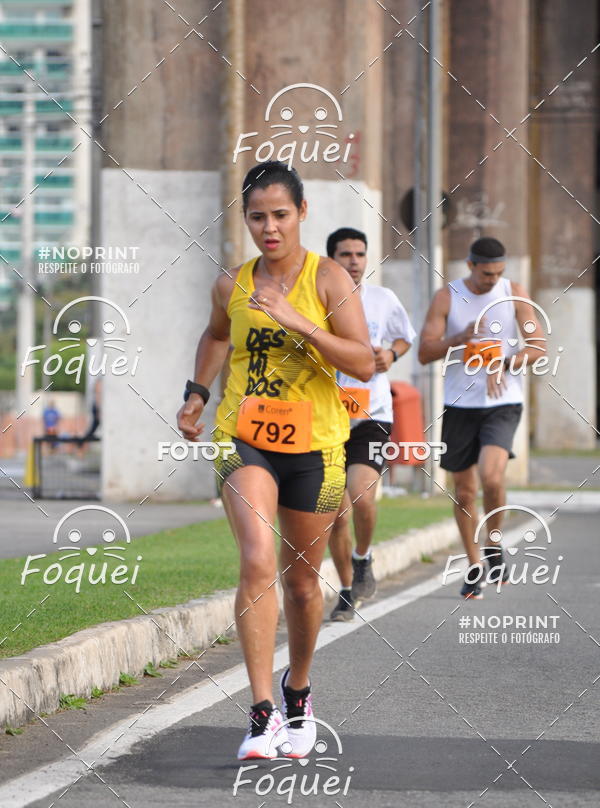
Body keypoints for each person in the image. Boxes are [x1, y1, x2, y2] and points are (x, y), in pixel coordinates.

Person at [177, 162, 374, 760]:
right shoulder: (230, 284)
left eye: (280, 215)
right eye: (257, 216)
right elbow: (217, 337)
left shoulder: (329, 279)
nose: (269, 227)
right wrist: (196, 394)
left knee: (301, 583)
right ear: (246, 219)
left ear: (302, 214)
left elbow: (364, 362)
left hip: (314, 445)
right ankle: (261, 714)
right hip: (245, 435)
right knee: (258, 558)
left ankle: (298, 691)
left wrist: (296, 321)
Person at [418, 236, 545, 599]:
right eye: (487, 273)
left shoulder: (514, 292)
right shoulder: (447, 297)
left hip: (503, 401)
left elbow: (538, 347)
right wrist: (458, 337)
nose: (493, 280)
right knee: (465, 490)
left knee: (491, 476)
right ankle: (474, 566)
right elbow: (425, 353)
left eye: (499, 273)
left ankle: (493, 542)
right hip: (460, 405)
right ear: (471, 266)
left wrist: (504, 361)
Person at [325, 228, 416, 621]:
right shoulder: (316, 300)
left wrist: (391, 355)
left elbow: (405, 338)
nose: (354, 261)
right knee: (335, 512)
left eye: (360, 254)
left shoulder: (383, 299)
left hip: (373, 414)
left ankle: (363, 559)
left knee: (361, 495)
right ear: (332, 260)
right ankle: (347, 589)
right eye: (346, 254)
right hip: (327, 416)